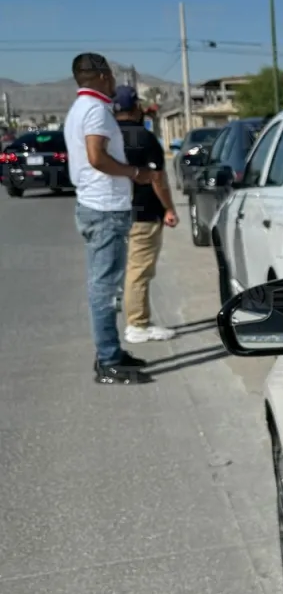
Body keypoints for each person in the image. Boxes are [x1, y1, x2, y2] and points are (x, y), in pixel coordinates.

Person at [64, 54, 157, 384]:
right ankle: (107, 360)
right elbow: (96, 156)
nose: (115, 79)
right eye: (112, 74)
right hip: (103, 209)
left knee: (106, 284)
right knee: (105, 288)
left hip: (98, 206)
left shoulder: (81, 110)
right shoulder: (94, 111)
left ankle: (112, 352)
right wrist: (135, 173)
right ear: (102, 76)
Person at [113, 85, 179, 343]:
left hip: (116, 212)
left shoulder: (106, 138)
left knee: (125, 269)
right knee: (139, 271)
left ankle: (136, 320)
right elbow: (157, 180)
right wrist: (169, 209)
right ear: (136, 108)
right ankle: (137, 324)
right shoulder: (144, 138)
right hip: (144, 213)